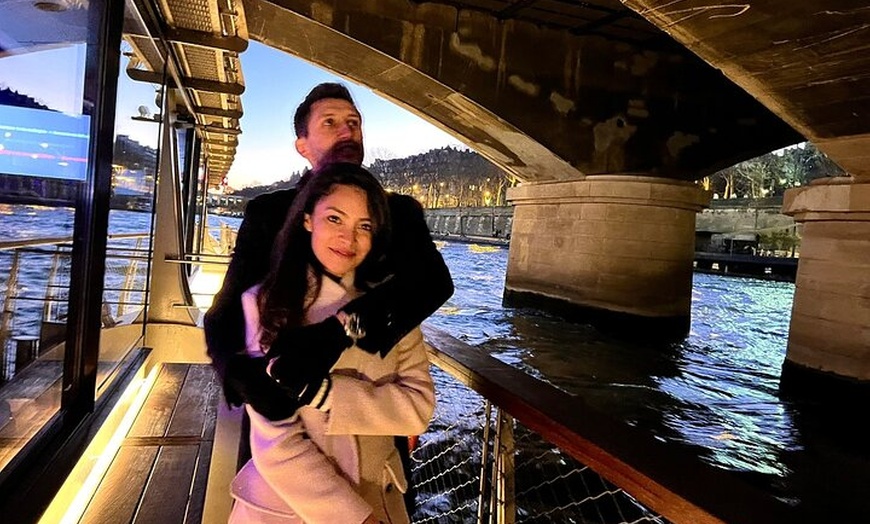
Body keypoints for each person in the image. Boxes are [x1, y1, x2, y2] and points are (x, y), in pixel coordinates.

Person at [204, 83, 452, 508]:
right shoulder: (268, 212)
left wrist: (339, 330)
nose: (347, 131)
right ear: (302, 144)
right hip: (287, 436)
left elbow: (432, 284)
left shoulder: (400, 214)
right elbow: (225, 313)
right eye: (331, 122)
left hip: (371, 440)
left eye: (354, 123)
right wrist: (240, 375)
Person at [228, 163, 435, 523]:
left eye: (364, 226)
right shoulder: (264, 303)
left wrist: (326, 395)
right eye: (335, 219)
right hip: (288, 509)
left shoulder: (390, 306)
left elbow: (419, 407)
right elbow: (274, 440)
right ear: (308, 219)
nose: (348, 238)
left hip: (378, 495)